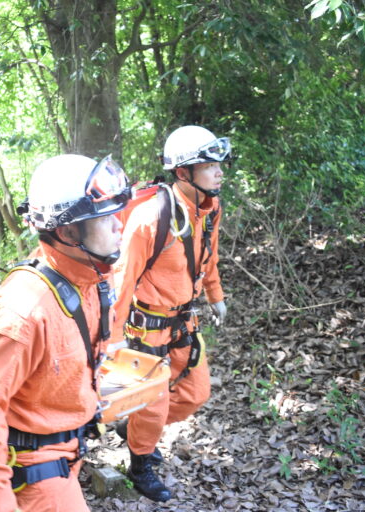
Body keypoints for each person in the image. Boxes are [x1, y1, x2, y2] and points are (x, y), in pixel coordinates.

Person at [0, 154, 131, 512]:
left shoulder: (94, 276)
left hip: (70, 453)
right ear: (68, 231)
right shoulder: (22, 311)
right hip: (38, 471)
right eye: (104, 217)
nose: (119, 226)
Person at [112, 125, 229, 502]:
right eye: (209, 165)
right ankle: (140, 462)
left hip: (184, 321)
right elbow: (121, 282)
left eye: (218, 163)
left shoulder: (210, 210)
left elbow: (207, 258)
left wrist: (215, 295)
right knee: (155, 401)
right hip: (146, 328)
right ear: (183, 173)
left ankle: (137, 429)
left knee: (196, 393)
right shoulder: (150, 219)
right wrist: (112, 340)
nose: (219, 170)